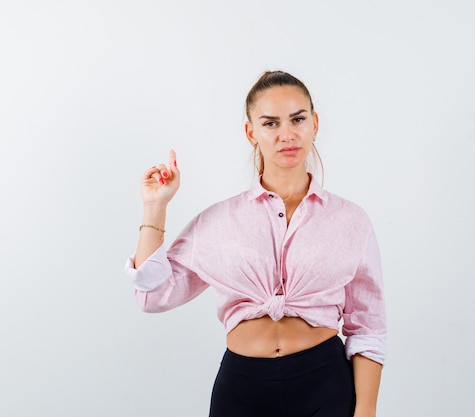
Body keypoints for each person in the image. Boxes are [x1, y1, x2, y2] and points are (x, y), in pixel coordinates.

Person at [125, 70, 387, 417]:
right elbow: (153, 296)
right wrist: (155, 206)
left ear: (315, 124)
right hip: (242, 390)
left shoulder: (350, 220)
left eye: (297, 119)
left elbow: (368, 325)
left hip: (325, 384)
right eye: (270, 123)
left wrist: (365, 410)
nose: (287, 134)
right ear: (251, 132)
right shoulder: (218, 222)